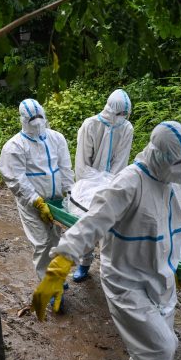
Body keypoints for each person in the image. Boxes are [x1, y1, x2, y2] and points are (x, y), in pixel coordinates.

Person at [31, 121, 181, 360]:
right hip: (127, 280)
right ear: (160, 157)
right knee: (162, 346)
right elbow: (91, 223)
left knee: (156, 348)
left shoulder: (171, 180)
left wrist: (173, 265)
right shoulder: (128, 183)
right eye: (178, 163)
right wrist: (59, 265)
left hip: (161, 278)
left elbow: (168, 229)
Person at [0, 98, 74, 284]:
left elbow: (65, 167)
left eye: (40, 117)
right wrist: (37, 201)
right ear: (23, 120)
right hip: (32, 204)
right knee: (42, 244)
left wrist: (70, 192)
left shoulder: (56, 138)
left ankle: (58, 280)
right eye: (32, 120)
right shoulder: (14, 146)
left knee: (56, 241)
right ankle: (48, 284)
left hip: (56, 201)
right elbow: (16, 179)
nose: (38, 123)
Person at [71, 89, 135, 283]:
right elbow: (82, 165)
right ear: (110, 110)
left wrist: (110, 183)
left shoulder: (126, 128)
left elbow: (120, 162)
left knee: (112, 225)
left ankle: (111, 270)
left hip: (112, 182)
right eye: (119, 114)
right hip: (86, 185)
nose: (122, 118)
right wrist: (97, 182)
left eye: (126, 114)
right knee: (88, 222)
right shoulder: (90, 126)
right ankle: (84, 263)